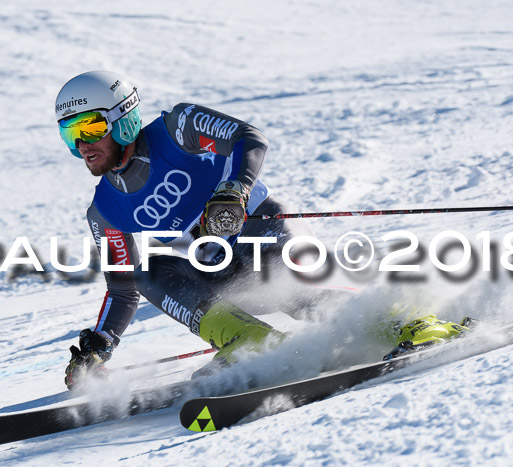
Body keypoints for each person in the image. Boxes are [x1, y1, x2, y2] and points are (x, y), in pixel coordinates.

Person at [55, 71, 317, 389]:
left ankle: (379, 318)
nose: (83, 144)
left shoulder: (179, 128)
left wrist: (235, 190)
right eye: (70, 133)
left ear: (123, 117)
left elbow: (248, 137)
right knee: (148, 271)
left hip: (265, 235)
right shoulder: (105, 211)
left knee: (297, 296)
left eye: (91, 127)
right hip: (226, 281)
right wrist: (99, 344)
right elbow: (122, 290)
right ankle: (245, 340)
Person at [382, 315, 477, 361]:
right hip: (445, 330)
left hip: (435, 334)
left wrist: (390, 356)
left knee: (438, 341)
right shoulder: (406, 331)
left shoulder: (405, 332)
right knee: (465, 328)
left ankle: (403, 349)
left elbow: (404, 345)